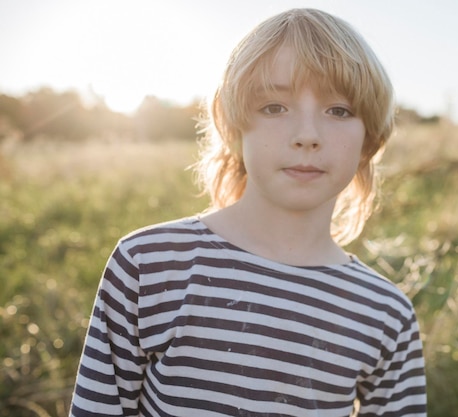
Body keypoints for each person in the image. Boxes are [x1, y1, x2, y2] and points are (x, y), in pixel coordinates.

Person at [70, 8, 427, 417]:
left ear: (370, 140)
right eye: (275, 107)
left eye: (339, 110)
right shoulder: (149, 264)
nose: (307, 135)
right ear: (234, 127)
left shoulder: (385, 313)